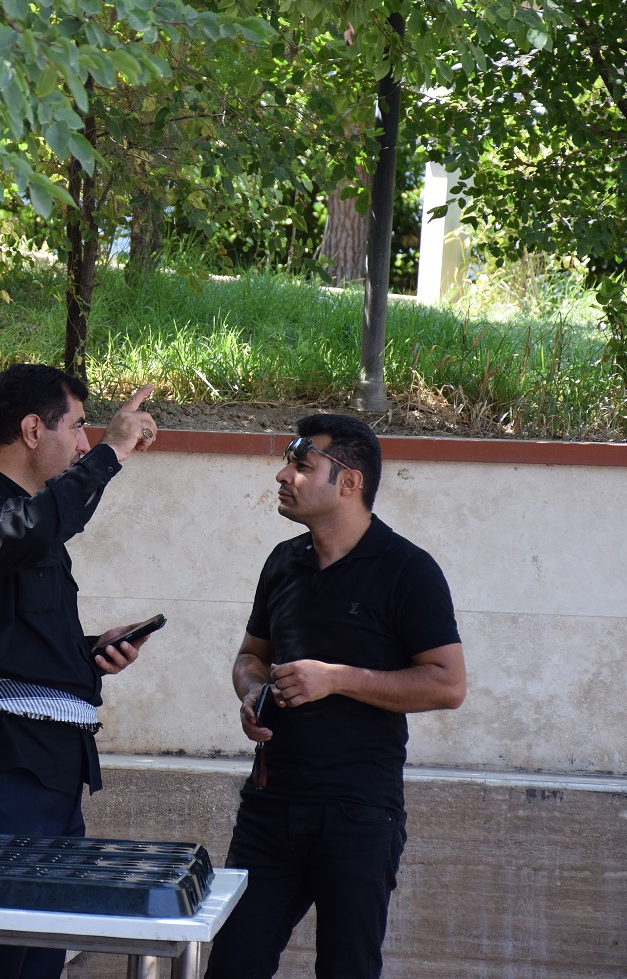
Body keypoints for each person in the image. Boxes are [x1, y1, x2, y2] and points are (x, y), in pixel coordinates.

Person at [204, 414, 466, 979]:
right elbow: (250, 657)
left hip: (359, 814)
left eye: (301, 466)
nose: (283, 476)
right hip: (269, 806)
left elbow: (448, 684)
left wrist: (337, 678)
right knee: (231, 966)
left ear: (349, 481)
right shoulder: (283, 562)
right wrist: (252, 691)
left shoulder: (408, 570)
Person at [0, 363, 160, 979]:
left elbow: (6, 642)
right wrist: (113, 452)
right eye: (79, 426)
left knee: (39, 959)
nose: (85, 443)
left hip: (51, 777)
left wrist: (89, 653)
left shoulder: (31, 528)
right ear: (33, 430)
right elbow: (30, 529)